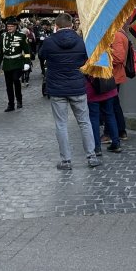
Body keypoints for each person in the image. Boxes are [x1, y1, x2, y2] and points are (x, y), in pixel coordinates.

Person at [38, 13, 101, 170]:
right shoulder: (81, 42)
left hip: (57, 89)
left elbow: (41, 56)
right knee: (84, 122)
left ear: (56, 26)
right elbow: (87, 60)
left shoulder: (49, 42)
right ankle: (91, 156)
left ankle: (66, 160)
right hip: (78, 87)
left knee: (61, 124)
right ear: (72, 25)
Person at [0, 17, 30, 112]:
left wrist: (27, 62)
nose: (9, 28)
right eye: (8, 26)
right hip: (7, 63)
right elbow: (0, 51)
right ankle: (10, 104)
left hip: (17, 62)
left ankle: (19, 100)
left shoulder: (22, 36)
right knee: (8, 85)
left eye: (11, 26)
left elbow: (27, 51)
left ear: (16, 27)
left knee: (16, 80)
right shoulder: (3, 36)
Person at [109, 29, 130, 142]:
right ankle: (121, 131)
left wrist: (99, 57)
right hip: (115, 75)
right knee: (114, 104)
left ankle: (114, 132)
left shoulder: (116, 35)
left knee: (110, 106)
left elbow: (118, 58)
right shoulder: (119, 33)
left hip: (113, 76)